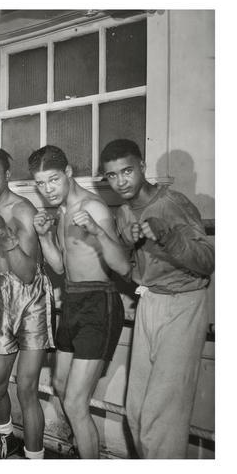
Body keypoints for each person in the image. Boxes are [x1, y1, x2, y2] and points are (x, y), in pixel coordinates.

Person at [99, 139, 214, 458]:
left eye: (127, 171)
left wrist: (168, 235)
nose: (120, 181)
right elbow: (133, 268)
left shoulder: (173, 203)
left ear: (142, 168)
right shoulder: (123, 212)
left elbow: (208, 261)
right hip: (149, 302)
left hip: (182, 303)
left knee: (161, 418)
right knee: (136, 411)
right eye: (111, 176)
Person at [28, 145, 130, 459]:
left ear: (69, 172)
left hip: (99, 302)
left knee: (75, 403)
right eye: (41, 184)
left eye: (53, 180)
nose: (47, 189)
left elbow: (122, 265)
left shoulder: (94, 207)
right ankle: (81, 452)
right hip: (71, 301)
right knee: (59, 382)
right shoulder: (60, 213)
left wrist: (97, 230)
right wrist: (44, 237)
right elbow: (59, 267)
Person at [0, 145, 55, 460]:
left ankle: (34, 459)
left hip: (31, 299)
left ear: (6, 175)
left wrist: (3, 235)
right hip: (0, 296)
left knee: (26, 389)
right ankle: (5, 440)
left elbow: (29, 273)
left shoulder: (23, 211)